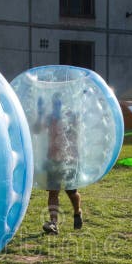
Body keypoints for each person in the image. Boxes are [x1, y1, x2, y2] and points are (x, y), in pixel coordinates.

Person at [32, 94, 83, 235]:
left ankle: (77, 212)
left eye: (59, 103)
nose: (56, 106)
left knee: (71, 192)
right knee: (53, 192)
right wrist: (40, 114)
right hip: (52, 159)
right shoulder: (50, 118)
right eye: (54, 103)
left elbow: (77, 133)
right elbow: (36, 130)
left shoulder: (71, 117)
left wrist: (69, 117)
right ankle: (53, 223)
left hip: (69, 160)